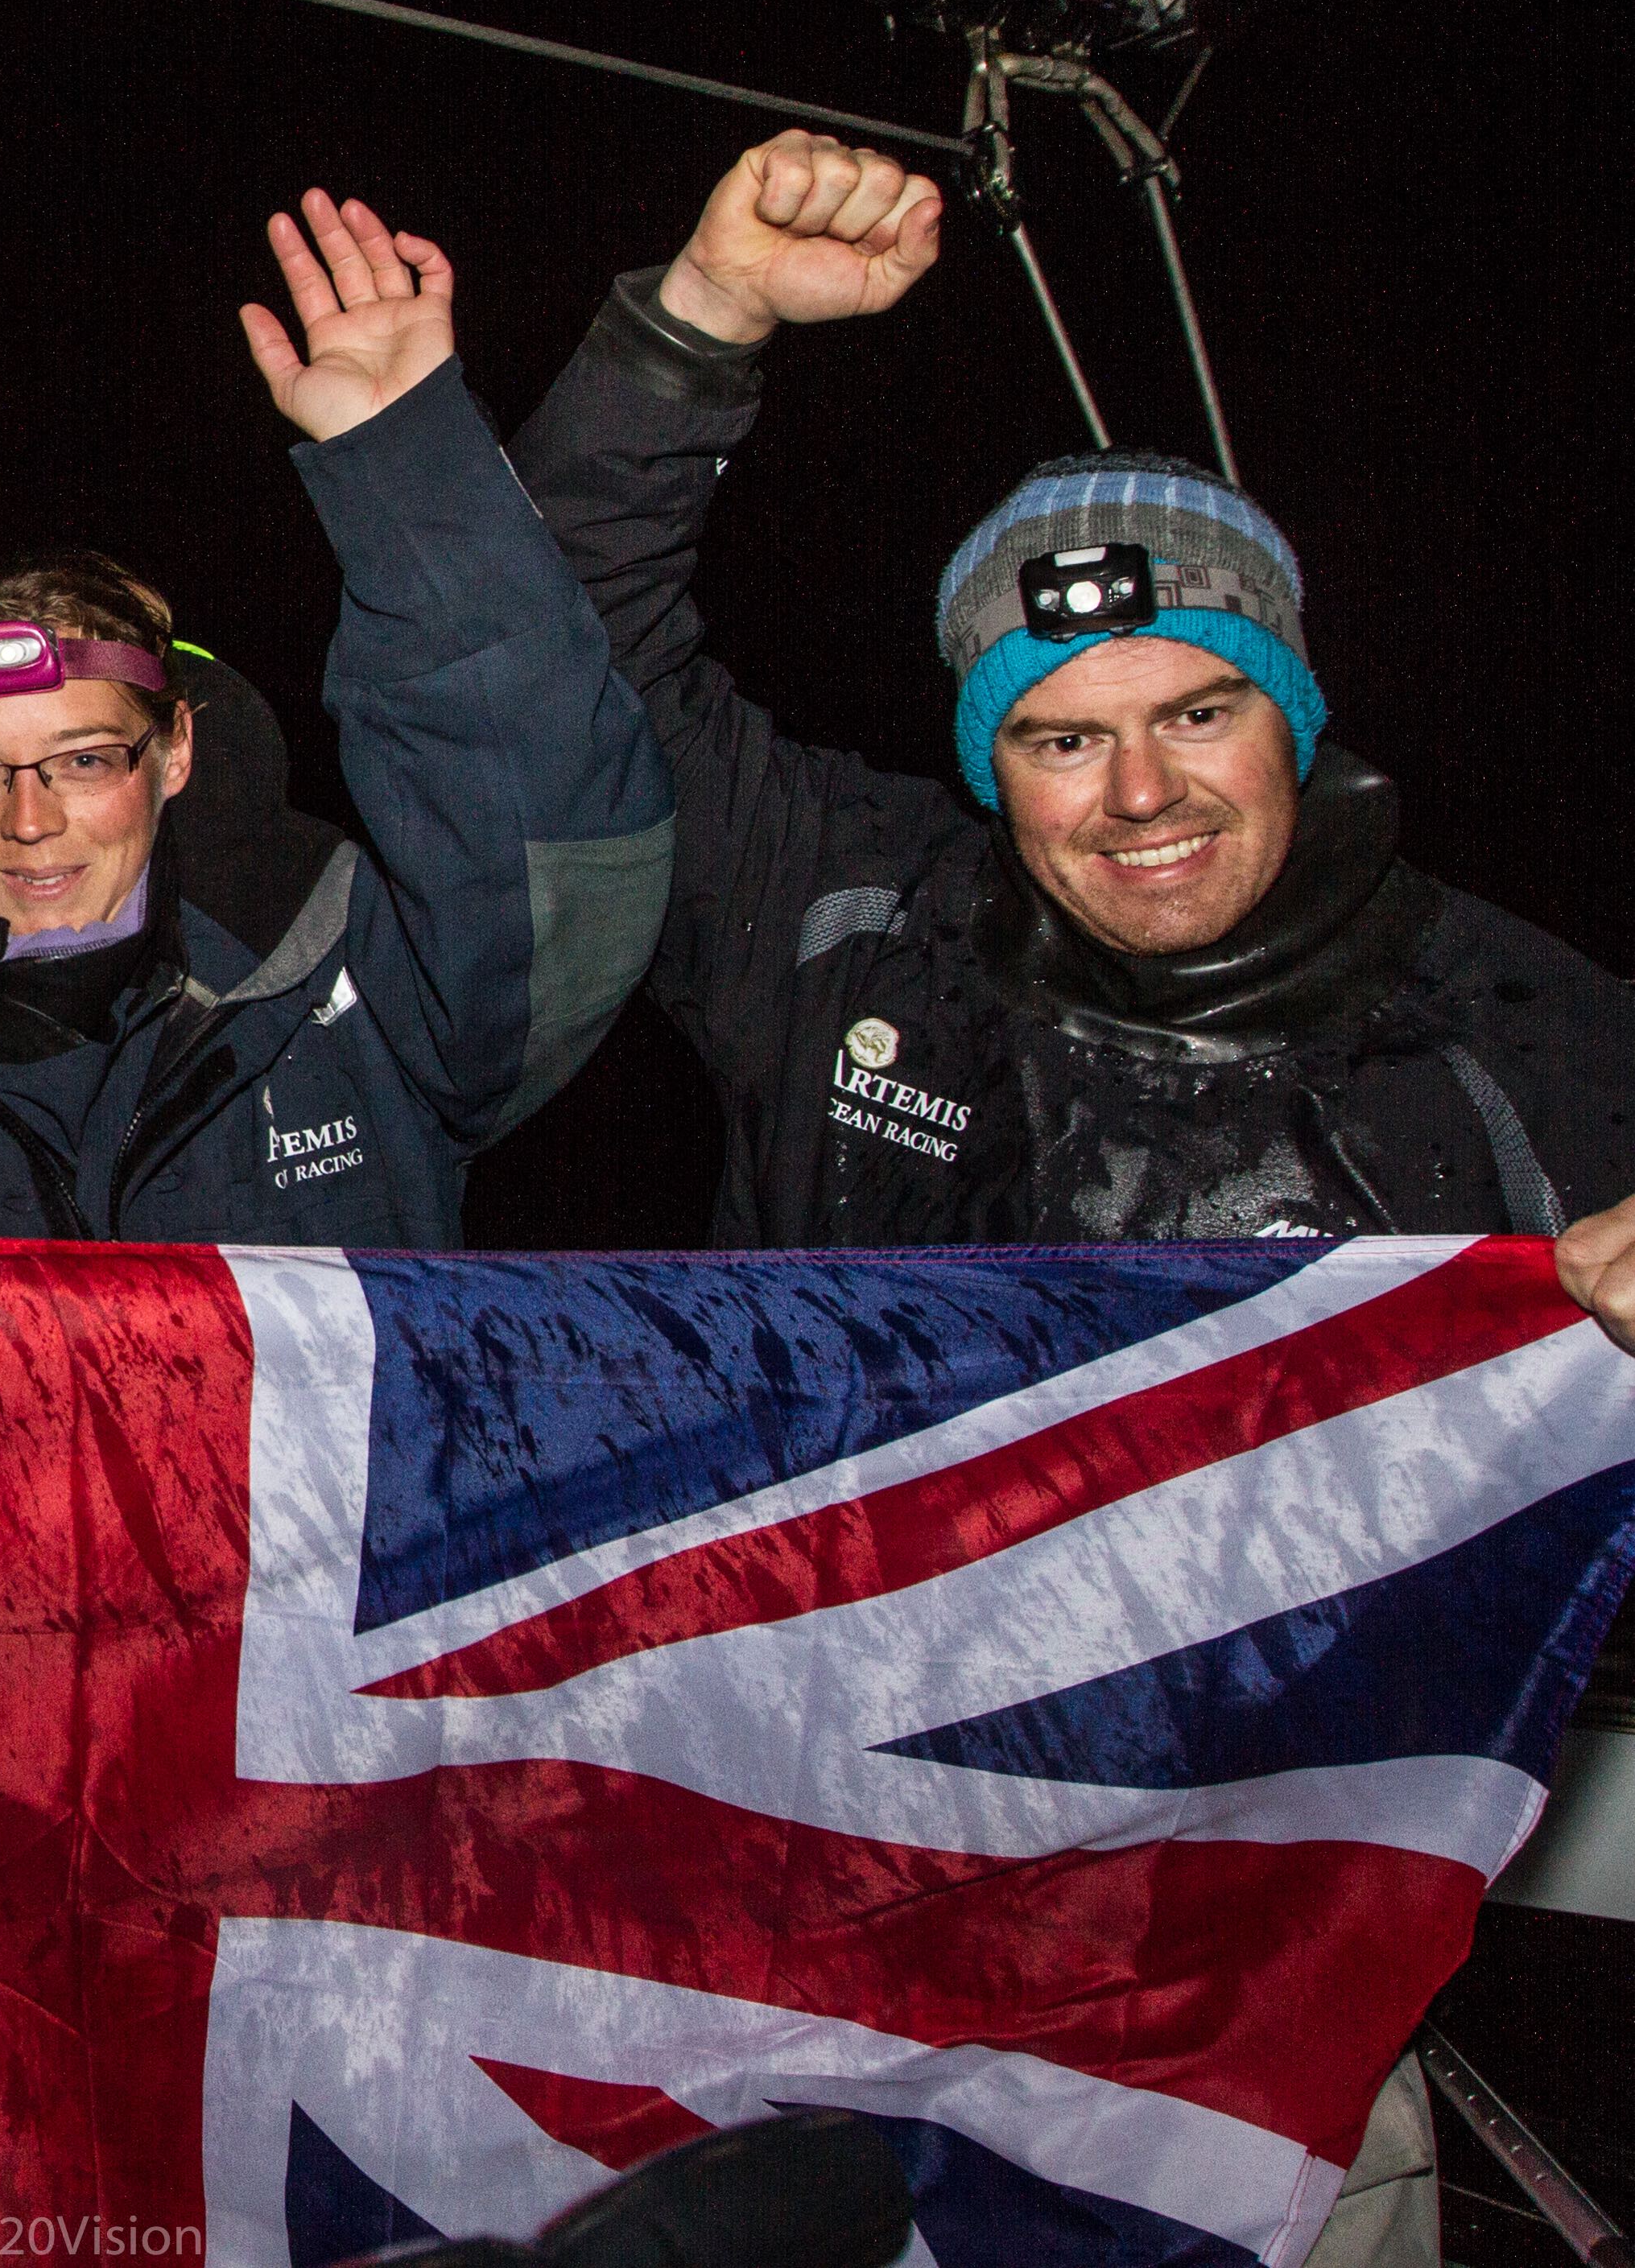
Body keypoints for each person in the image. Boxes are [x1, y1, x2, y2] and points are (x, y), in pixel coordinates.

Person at [502, 126, 1635, 2268]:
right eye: (1055, 735)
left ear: (1292, 714)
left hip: (1261, 1954)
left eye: (1198, 714)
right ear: (978, 756)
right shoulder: (841, 923)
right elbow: (549, 659)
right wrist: (700, 324)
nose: (1133, 796)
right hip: (818, 1863)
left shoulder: (1520, 1020)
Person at [0, 190, 675, 1307]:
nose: (29, 821)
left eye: (85, 760)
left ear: (175, 751)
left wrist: (414, 471)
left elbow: (555, 869)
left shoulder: (349, 987)